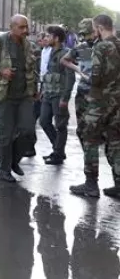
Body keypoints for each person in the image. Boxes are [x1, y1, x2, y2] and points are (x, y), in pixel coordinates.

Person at [0, 14, 37, 183]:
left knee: (28, 131)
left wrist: (35, 89)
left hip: (24, 96)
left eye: (26, 27)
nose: (25, 30)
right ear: (12, 27)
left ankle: (14, 161)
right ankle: (4, 169)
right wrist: (0, 71)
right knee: (6, 135)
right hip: (4, 97)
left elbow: (32, 69)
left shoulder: (28, 45)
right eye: (21, 27)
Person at [69, 14, 120, 198]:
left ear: (99, 28)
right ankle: (119, 184)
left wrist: (85, 76)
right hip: (117, 103)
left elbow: (96, 77)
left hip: (99, 103)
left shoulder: (101, 47)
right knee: (115, 142)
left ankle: (91, 185)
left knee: (89, 140)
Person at [61, 19, 96, 178]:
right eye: (84, 34)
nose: (87, 37)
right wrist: (78, 69)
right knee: (82, 131)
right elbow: (64, 60)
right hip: (83, 93)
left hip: (102, 95)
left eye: (89, 33)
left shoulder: (105, 46)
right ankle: (90, 168)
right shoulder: (81, 47)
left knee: (103, 134)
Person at [38, 25, 75, 165]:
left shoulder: (66, 54)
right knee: (44, 121)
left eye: (49, 36)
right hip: (48, 94)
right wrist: (42, 90)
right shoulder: (49, 51)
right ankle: (58, 150)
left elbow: (70, 77)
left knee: (60, 125)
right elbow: (47, 74)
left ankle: (58, 154)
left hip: (59, 96)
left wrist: (65, 98)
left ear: (57, 38)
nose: (46, 38)